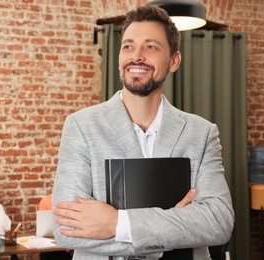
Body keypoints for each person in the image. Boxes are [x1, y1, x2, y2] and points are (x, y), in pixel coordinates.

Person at [52, 5, 234, 260]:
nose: (136, 56)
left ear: (174, 61)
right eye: (128, 46)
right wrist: (175, 231)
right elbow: (67, 229)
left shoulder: (201, 133)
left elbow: (219, 221)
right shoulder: (81, 126)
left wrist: (117, 222)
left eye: (151, 46)